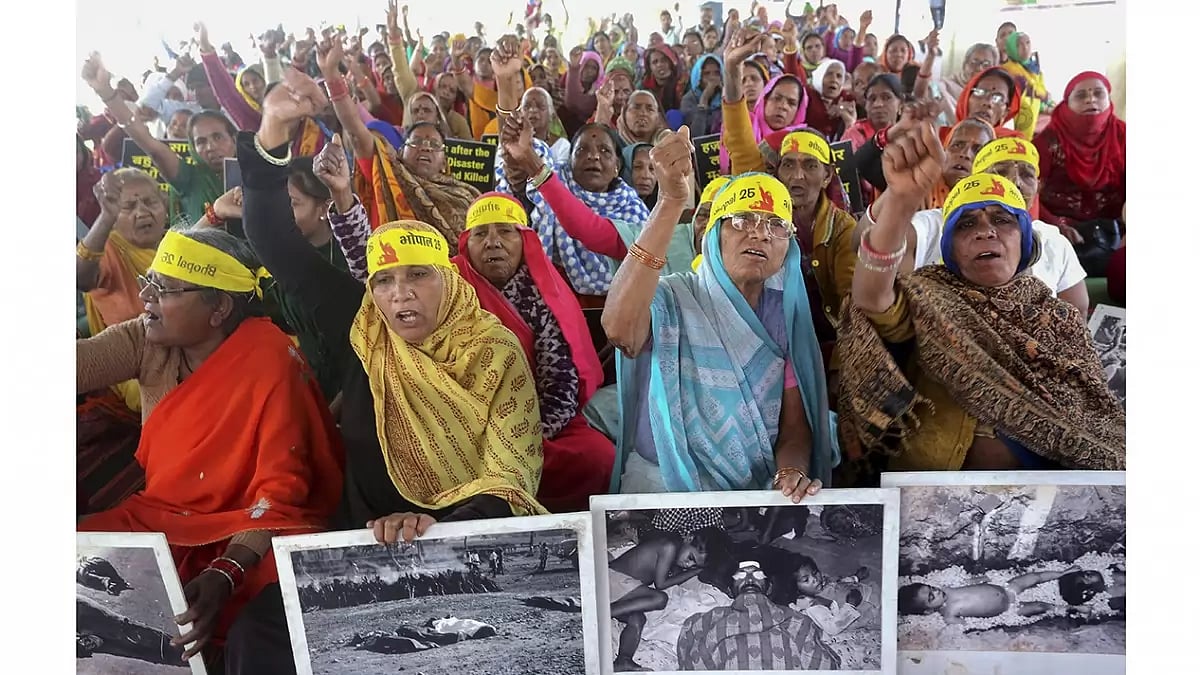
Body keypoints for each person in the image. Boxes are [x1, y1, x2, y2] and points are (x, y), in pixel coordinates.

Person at [239, 68, 547, 541]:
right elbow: (274, 240)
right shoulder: (367, 325)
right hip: (356, 543)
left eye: (417, 275)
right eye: (383, 280)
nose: (398, 293)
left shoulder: (494, 351)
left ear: (449, 280)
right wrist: (273, 131)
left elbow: (510, 475)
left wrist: (435, 528)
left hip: (468, 546)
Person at [77, 226, 345, 673]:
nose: (147, 297)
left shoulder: (271, 359)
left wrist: (227, 571)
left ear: (219, 307)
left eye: (164, 289)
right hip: (163, 514)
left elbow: (279, 494)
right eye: (150, 282)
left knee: (276, 597)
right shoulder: (147, 336)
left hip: (253, 524)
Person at [838, 119, 1125, 478]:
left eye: (1002, 220)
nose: (986, 231)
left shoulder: (1061, 321)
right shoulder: (929, 300)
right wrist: (900, 201)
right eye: (966, 224)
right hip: (934, 497)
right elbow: (871, 297)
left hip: (1041, 506)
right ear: (951, 251)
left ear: (1025, 240)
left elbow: (1093, 431)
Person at [322, 183, 616, 513]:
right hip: (448, 411)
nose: (493, 242)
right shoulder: (440, 281)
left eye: (505, 231)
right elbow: (381, 267)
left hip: (532, 420)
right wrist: (345, 203)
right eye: (480, 234)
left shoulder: (546, 297)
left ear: (526, 240)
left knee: (597, 458)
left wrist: (519, 431)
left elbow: (562, 384)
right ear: (465, 244)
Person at [602, 135, 836, 494]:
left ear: (787, 248)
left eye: (776, 225)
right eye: (742, 219)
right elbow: (619, 330)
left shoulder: (784, 316)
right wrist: (670, 201)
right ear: (713, 236)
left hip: (756, 491)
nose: (759, 233)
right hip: (662, 480)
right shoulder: (674, 297)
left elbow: (794, 428)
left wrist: (789, 472)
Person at [319, 39, 479, 245]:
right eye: (417, 141)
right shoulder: (388, 173)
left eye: (433, 145)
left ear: (444, 161)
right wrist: (331, 74)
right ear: (401, 150)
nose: (424, 147)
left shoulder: (466, 196)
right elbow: (356, 133)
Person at [82, 53, 234, 224]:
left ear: (234, 139)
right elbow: (149, 144)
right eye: (200, 142)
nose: (210, 147)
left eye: (218, 137)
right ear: (192, 148)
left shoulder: (252, 173)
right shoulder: (189, 177)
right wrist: (105, 92)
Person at [1034, 71, 1126, 275]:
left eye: (1098, 94)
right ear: (1067, 103)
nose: (1091, 99)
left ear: (1108, 99)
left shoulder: (1124, 136)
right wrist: (1057, 226)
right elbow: (1029, 193)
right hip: (1056, 232)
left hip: (1115, 232)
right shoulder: (1046, 142)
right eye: (1081, 95)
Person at [676, 560, 842, 670]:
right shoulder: (704, 621)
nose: (749, 579)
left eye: (757, 575)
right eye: (741, 576)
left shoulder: (797, 620)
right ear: (729, 591)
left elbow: (822, 665)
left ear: (769, 588)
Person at [608, 528, 726, 672]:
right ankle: (603, 612)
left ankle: (623, 660)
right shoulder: (669, 546)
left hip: (622, 590)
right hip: (611, 578)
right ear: (689, 538)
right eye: (690, 558)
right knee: (660, 598)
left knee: (637, 619)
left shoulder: (676, 553)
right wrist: (694, 571)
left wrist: (696, 571)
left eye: (694, 565)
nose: (688, 565)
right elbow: (661, 584)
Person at [719, 27, 808, 172]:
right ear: (764, 100)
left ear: (799, 112)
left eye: (791, 103)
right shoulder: (747, 127)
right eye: (777, 98)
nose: (783, 106)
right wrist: (732, 68)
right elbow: (737, 129)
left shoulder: (807, 144)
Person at [899, 566, 1102, 621]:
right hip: (1008, 610)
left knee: (1034, 577)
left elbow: (968, 581)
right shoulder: (949, 614)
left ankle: (1064, 573)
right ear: (927, 612)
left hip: (1006, 587)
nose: (935, 591)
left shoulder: (946, 587)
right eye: (931, 597)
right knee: (1040, 607)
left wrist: (980, 579)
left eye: (930, 588)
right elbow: (960, 625)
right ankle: (1074, 608)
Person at [1000, 32, 1050, 140]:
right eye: (1019, 45)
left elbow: (1043, 93)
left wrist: (1047, 102)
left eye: (1028, 43)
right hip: (1019, 117)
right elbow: (1034, 93)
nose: (1025, 47)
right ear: (1011, 48)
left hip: (1037, 113)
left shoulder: (1035, 69)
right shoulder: (1008, 69)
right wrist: (1045, 100)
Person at [940, 44, 999, 123]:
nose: (979, 68)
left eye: (986, 65)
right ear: (965, 65)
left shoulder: (997, 96)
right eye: (974, 62)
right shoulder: (945, 87)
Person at [680, 54, 724, 136]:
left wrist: (724, 96)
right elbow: (696, 135)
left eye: (717, 73)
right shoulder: (689, 99)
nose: (712, 78)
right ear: (698, 77)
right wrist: (704, 99)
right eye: (707, 73)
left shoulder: (726, 96)